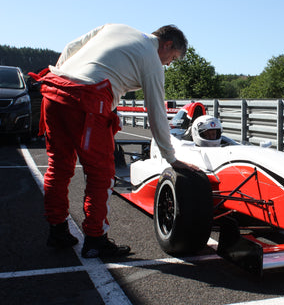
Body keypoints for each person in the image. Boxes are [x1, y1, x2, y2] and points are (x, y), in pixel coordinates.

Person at [29, 24, 197, 258]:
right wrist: (171, 158)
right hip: (87, 100)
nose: (169, 63)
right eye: (173, 58)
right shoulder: (152, 60)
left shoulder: (115, 27)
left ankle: (57, 231)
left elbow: (70, 47)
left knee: (58, 166)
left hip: (54, 90)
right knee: (101, 174)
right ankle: (96, 239)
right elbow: (157, 112)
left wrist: (63, 77)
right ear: (167, 44)